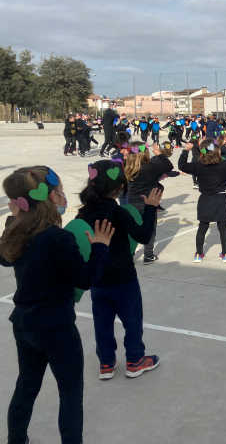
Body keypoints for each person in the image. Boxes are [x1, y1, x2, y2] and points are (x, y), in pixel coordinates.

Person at [1, 166, 114, 444]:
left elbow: (4, 258)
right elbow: (85, 278)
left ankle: (16, 439)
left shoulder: (17, 231)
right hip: (57, 329)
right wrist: (100, 247)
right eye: (61, 192)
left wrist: (12, 219)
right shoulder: (57, 237)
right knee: (70, 393)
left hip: (24, 325)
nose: (64, 198)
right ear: (52, 197)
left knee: (26, 386)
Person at [76, 161, 162, 380]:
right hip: (124, 279)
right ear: (120, 187)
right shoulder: (119, 213)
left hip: (98, 279)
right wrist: (151, 208)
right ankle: (135, 360)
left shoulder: (83, 213)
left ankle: (106, 363)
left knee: (102, 324)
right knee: (132, 321)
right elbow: (143, 236)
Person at [179, 138, 226, 263]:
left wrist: (186, 150)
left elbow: (182, 165)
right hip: (221, 198)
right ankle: (225, 254)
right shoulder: (225, 164)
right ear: (217, 151)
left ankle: (199, 254)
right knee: (223, 226)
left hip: (205, 198)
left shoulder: (199, 165)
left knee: (203, 227)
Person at [124, 142, 173, 264]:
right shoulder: (151, 167)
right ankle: (148, 255)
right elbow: (169, 166)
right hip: (149, 202)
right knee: (150, 228)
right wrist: (159, 154)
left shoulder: (128, 166)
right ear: (145, 152)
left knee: (132, 229)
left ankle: (129, 254)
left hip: (133, 202)